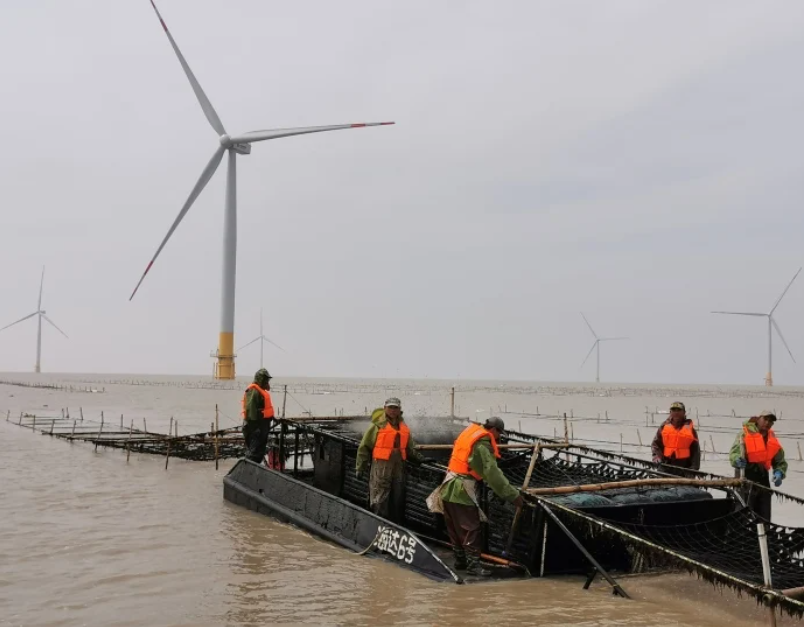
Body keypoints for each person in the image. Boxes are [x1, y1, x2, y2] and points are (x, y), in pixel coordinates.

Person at [427, 417, 524, 577]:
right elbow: (493, 474)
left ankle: (460, 561)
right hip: (462, 489)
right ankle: (473, 567)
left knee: (455, 528)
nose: (498, 438)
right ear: (494, 430)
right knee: (471, 528)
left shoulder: (470, 433)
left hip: (448, 485)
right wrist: (513, 495)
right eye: (499, 434)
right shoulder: (482, 444)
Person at [355, 397, 425, 523]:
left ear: (399, 409)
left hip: (399, 465)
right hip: (381, 465)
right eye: (390, 407)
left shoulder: (403, 427)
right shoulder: (377, 425)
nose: (393, 410)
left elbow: (409, 448)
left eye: (395, 407)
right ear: (385, 408)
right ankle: (378, 521)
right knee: (380, 494)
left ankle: (395, 522)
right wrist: (360, 467)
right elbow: (364, 447)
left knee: (397, 493)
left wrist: (421, 459)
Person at [730, 411, 787, 521]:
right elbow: (734, 453)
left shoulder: (772, 439)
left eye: (770, 421)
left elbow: (780, 461)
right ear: (758, 419)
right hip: (744, 478)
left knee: (764, 518)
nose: (767, 423)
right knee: (742, 516)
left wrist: (779, 473)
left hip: (763, 480)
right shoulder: (744, 434)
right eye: (765, 419)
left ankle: (764, 532)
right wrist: (737, 460)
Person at [650, 402, 700, 473]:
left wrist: (694, 468)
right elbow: (655, 444)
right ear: (670, 412)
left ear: (684, 412)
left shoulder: (690, 430)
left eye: (679, 410)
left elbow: (696, 451)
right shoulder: (664, 427)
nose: (676, 413)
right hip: (665, 464)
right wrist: (656, 457)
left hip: (684, 466)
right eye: (673, 410)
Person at [241, 368, 275, 464]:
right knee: (253, 452)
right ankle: (247, 470)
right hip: (255, 428)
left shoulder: (260, 391)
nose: (267, 382)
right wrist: (255, 428)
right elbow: (251, 410)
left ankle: (253, 470)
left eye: (267, 379)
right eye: (265, 379)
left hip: (262, 427)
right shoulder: (253, 391)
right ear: (260, 379)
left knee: (259, 453)